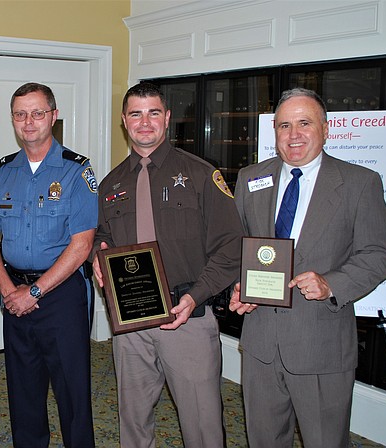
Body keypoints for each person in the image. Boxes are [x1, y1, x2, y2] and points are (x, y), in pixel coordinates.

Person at [229, 87, 386, 448]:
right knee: (264, 439)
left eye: (304, 123)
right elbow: (239, 248)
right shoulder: (251, 179)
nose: (293, 135)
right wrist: (238, 287)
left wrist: (332, 283)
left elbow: (379, 254)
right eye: (284, 126)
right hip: (261, 345)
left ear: (325, 128)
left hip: (322, 345)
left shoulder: (358, 183)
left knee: (325, 441)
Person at [92, 82, 244, 448]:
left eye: (153, 113)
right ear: (124, 123)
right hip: (131, 323)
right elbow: (102, 234)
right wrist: (98, 253)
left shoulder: (200, 175)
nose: (145, 122)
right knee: (133, 420)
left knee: (203, 425)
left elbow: (231, 247)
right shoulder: (111, 183)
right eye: (135, 114)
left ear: (168, 118)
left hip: (187, 318)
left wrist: (194, 297)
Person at [0, 82, 97, 447]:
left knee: (72, 390)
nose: (28, 122)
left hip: (61, 296)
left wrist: (35, 291)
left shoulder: (77, 171)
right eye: (20, 114)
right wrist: (6, 289)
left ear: (53, 116)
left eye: (37, 113)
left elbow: (82, 246)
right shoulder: (2, 175)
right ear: (13, 119)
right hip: (13, 293)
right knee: (22, 387)